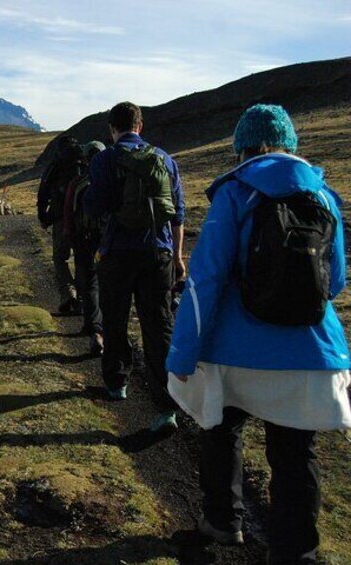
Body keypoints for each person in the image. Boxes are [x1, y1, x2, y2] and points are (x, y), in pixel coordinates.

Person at [166, 104, 351, 564]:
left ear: (241, 148)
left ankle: (223, 521)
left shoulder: (236, 193)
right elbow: (338, 280)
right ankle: (296, 552)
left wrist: (182, 354)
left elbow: (205, 279)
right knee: (295, 454)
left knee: (221, 429)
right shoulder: (324, 196)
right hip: (311, 352)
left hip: (235, 353)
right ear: (291, 144)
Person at [83, 102, 186, 432]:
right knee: (158, 326)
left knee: (115, 318)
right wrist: (179, 257)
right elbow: (178, 215)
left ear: (112, 129)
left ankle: (117, 383)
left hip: (116, 253)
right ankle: (167, 406)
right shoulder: (165, 160)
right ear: (140, 126)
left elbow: (93, 205)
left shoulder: (104, 160)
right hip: (157, 254)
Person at [63, 140, 106, 356]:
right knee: (108, 284)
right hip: (109, 242)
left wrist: (71, 238)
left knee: (88, 284)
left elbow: (68, 215)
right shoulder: (112, 180)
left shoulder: (77, 183)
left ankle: (94, 328)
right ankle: (110, 330)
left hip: (84, 240)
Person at [37, 136, 83, 314]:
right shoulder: (85, 162)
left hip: (60, 218)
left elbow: (43, 193)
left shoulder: (56, 164)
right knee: (82, 258)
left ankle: (68, 293)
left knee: (60, 258)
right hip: (83, 219)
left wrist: (44, 217)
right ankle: (83, 298)